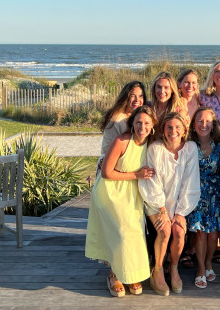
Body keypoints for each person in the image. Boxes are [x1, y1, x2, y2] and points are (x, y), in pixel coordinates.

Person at [85, 106, 157, 297]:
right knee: (121, 233)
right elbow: (107, 173)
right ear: (132, 124)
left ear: (152, 126)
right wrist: (137, 174)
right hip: (110, 192)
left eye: (147, 123)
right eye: (139, 122)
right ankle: (114, 273)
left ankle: (132, 273)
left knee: (135, 233)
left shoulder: (151, 142)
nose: (143, 127)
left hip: (132, 193)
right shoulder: (123, 140)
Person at [139, 112, 200, 296]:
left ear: (184, 131)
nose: (173, 131)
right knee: (165, 230)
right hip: (155, 200)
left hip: (179, 201)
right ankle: (157, 271)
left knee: (179, 232)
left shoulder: (190, 148)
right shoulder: (155, 149)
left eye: (177, 128)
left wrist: (180, 212)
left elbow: (191, 182)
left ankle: (174, 268)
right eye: (169, 127)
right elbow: (152, 181)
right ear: (163, 131)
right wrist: (162, 209)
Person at [186, 107, 220, 289]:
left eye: (207, 121)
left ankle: (208, 262)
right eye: (199, 121)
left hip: (216, 195)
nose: (203, 124)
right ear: (193, 125)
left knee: (213, 234)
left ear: (213, 124)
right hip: (197, 194)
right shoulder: (188, 145)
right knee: (200, 233)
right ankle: (201, 268)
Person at [99, 81, 148, 155]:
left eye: (140, 96)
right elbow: (108, 151)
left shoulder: (139, 116)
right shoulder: (116, 120)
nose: (137, 100)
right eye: (133, 95)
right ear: (126, 98)